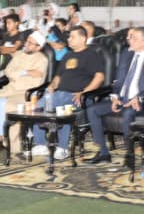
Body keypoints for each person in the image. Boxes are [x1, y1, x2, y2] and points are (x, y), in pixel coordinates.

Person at [85, 27, 144, 166]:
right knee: (92, 110)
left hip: (142, 101)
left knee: (128, 113)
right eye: (130, 37)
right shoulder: (126, 54)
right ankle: (103, 153)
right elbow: (118, 81)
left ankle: (130, 153)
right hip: (122, 99)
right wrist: (114, 97)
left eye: (134, 38)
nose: (130, 40)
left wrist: (139, 97)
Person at [31, 26, 105, 159]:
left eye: (72, 37)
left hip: (77, 96)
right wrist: (52, 85)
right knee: (38, 107)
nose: (69, 39)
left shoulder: (91, 55)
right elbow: (58, 76)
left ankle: (62, 148)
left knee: (62, 109)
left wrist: (84, 93)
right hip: (60, 93)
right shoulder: (68, 55)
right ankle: (41, 144)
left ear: (83, 38)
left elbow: (99, 77)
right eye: (69, 37)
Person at [0, 30, 49, 151]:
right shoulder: (19, 55)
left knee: (8, 106)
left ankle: (10, 144)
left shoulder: (42, 59)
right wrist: (26, 73)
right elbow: (8, 71)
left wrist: (20, 73)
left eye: (30, 43)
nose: (26, 44)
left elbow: (37, 78)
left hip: (26, 93)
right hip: (10, 89)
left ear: (38, 47)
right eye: (27, 41)